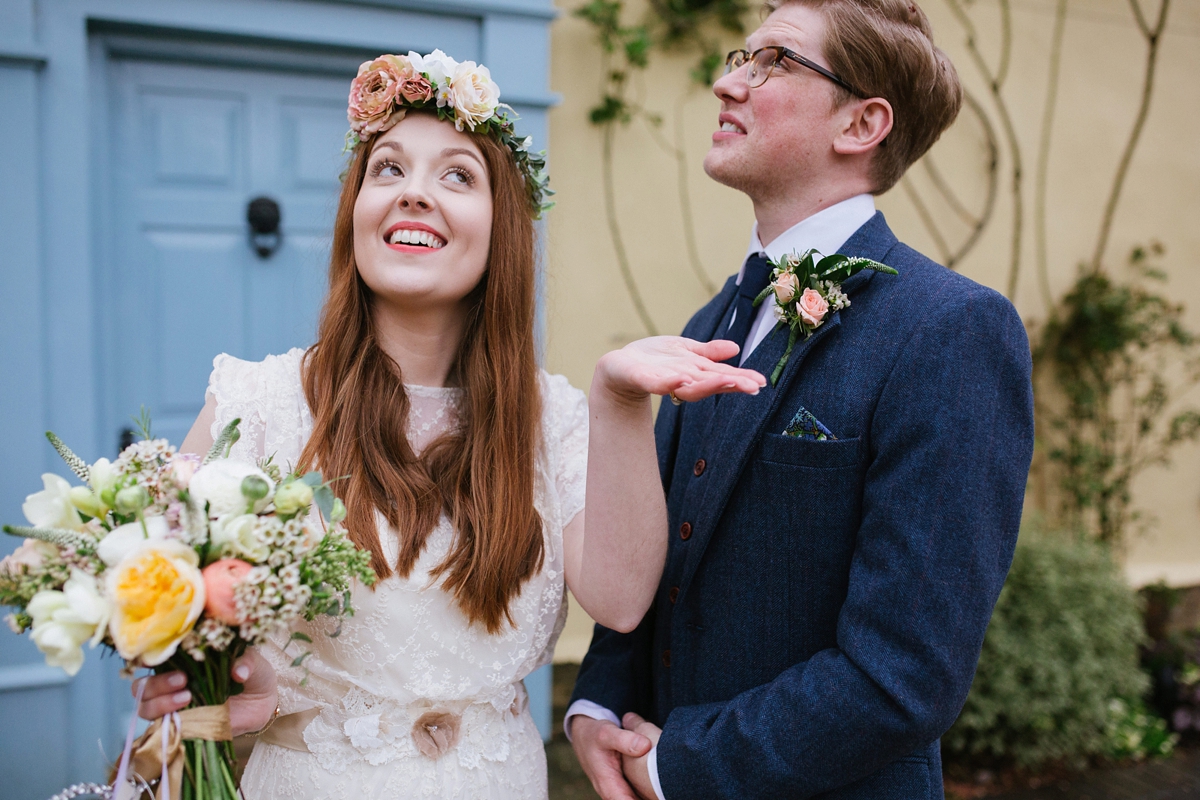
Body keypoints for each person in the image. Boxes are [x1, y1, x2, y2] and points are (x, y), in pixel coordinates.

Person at [133, 51, 764, 799]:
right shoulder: (255, 403)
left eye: (457, 175)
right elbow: (196, 654)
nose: (414, 195)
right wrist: (220, 693)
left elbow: (623, 600)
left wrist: (619, 402)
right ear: (355, 213)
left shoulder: (556, 418)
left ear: (503, 229)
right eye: (388, 170)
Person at [567, 1, 1035, 798]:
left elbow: (904, 675)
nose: (726, 83)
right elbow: (664, 554)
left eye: (773, 62)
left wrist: (679, 764)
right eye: (738, 57)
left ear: (861, 123)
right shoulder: (710, 322)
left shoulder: (952, 330)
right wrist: (595, 702)